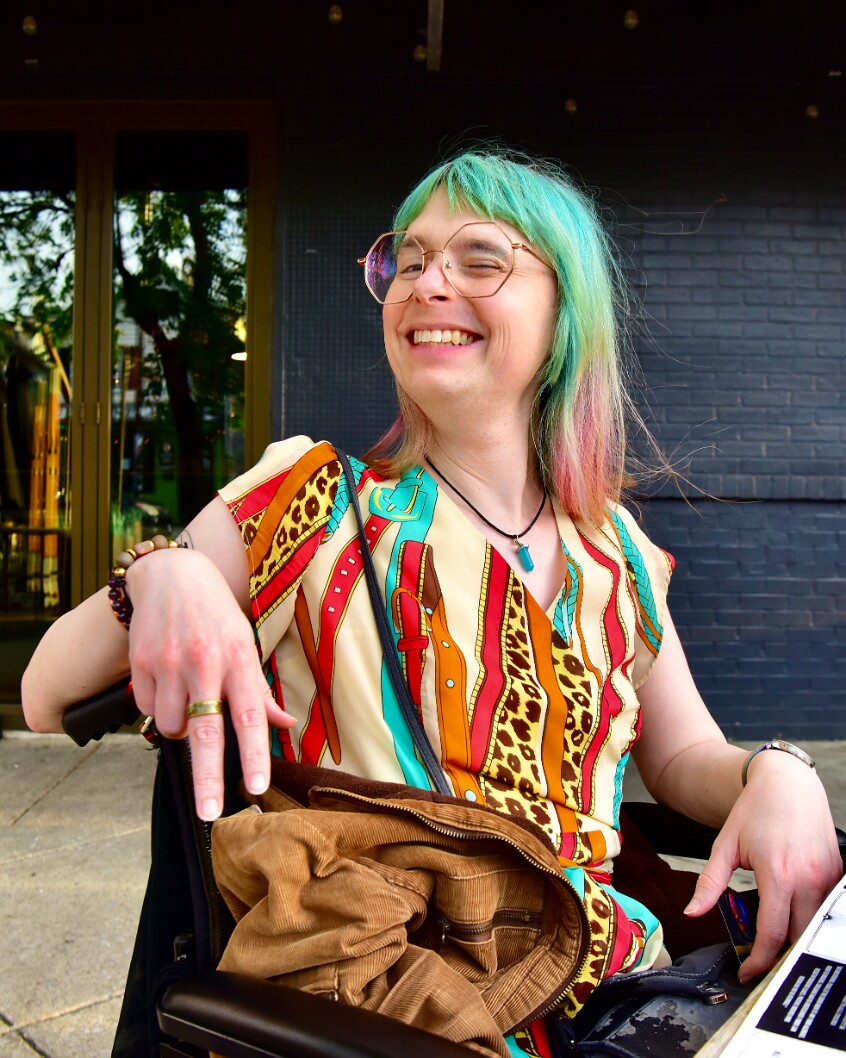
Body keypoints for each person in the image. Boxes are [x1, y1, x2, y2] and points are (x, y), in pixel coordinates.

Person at [21, 149, 841, 1052]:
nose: (425, 283)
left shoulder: (616, 553)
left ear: (566, 309)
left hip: (617, 988)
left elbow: (683, 753)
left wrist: (780, 772)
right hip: (407, 1000)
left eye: (479, 257)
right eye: (407, 260)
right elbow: (45, 691)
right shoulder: (313, 499)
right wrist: (161, 575)